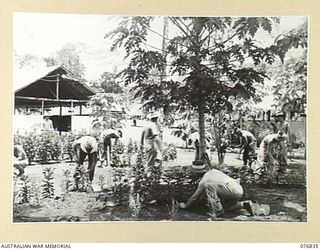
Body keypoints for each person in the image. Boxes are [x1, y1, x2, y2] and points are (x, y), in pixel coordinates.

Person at [179, 166, 261, 218]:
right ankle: (244, 204)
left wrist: (186, 206)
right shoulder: (214, 171)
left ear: (197, 173)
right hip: (238, 189)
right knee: (226, 207)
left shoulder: (204, 181)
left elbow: (195, 197)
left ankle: (217, 212)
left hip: (230, 191)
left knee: (208, 185)